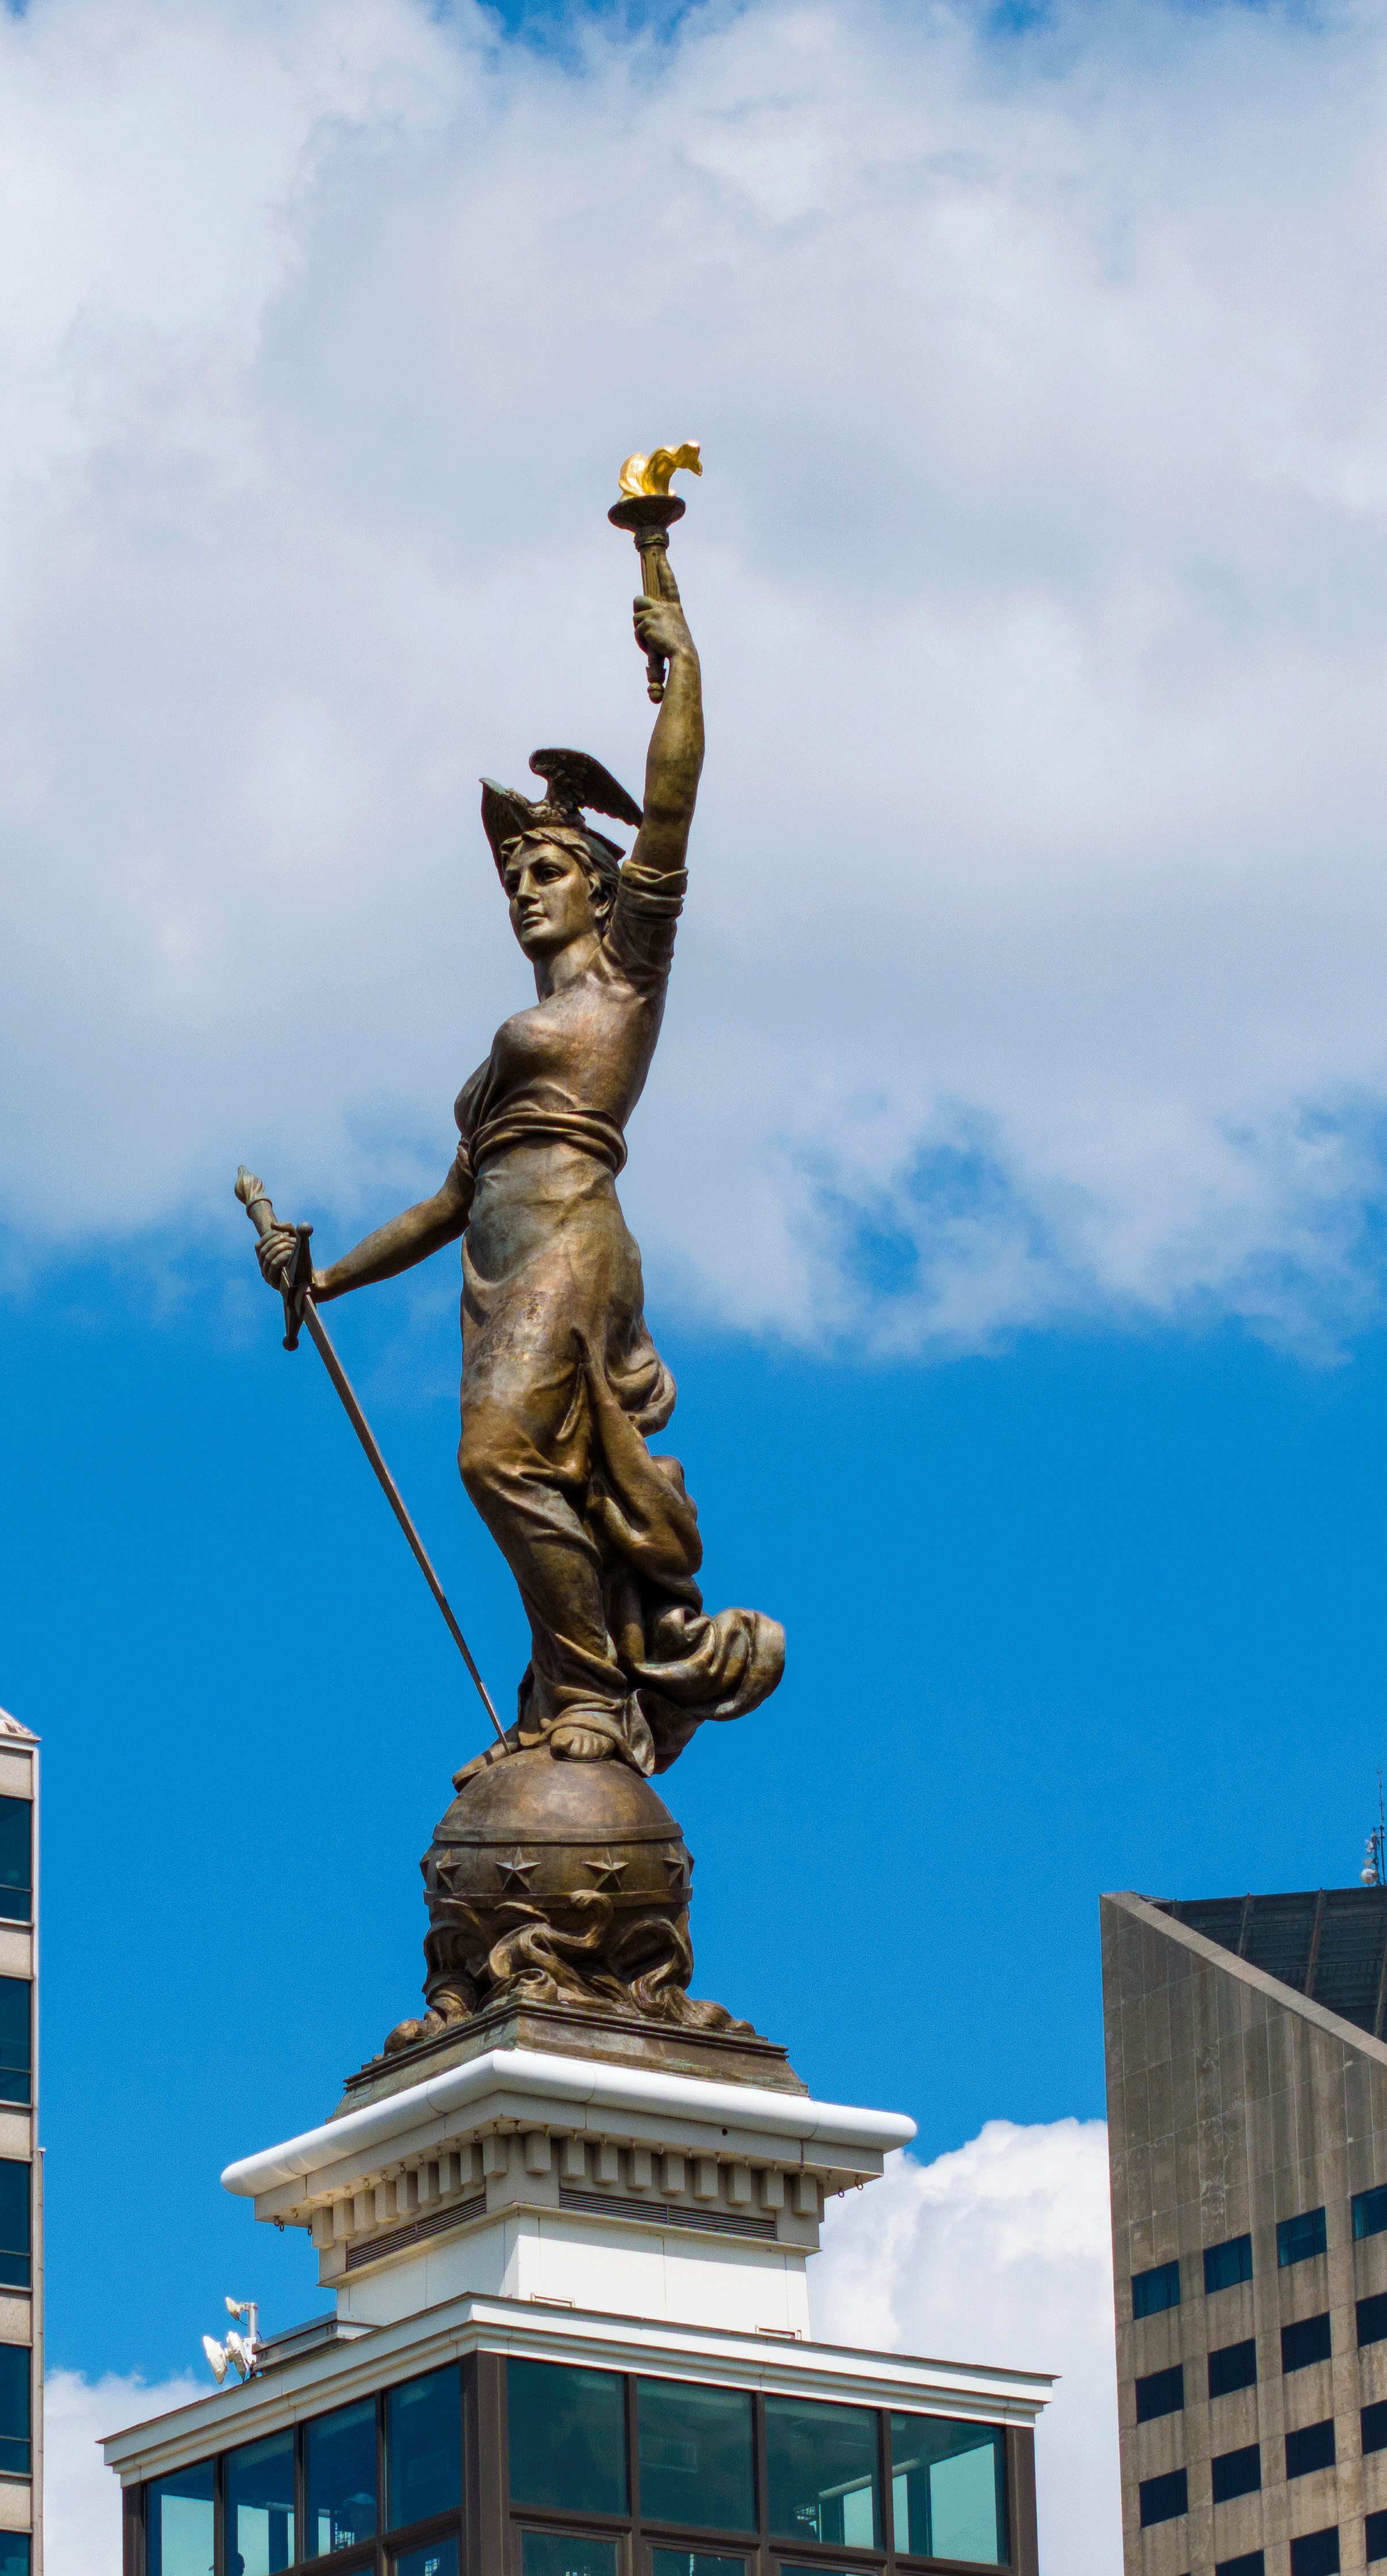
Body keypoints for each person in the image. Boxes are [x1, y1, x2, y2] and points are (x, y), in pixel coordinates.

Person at [254, 551, 783, 1778]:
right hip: (494, 1263)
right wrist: (318, 1277)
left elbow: (672, 800)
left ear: (601, 893)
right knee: (530, 1472)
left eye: (547, 871)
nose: (525, 891)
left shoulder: (623, 981)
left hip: (573, 1243)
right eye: (513, 878)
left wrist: (681, 659)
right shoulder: (498, 1066)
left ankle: (592, 1701)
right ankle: (564, 1701)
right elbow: (447, 1201)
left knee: (497, 1458)